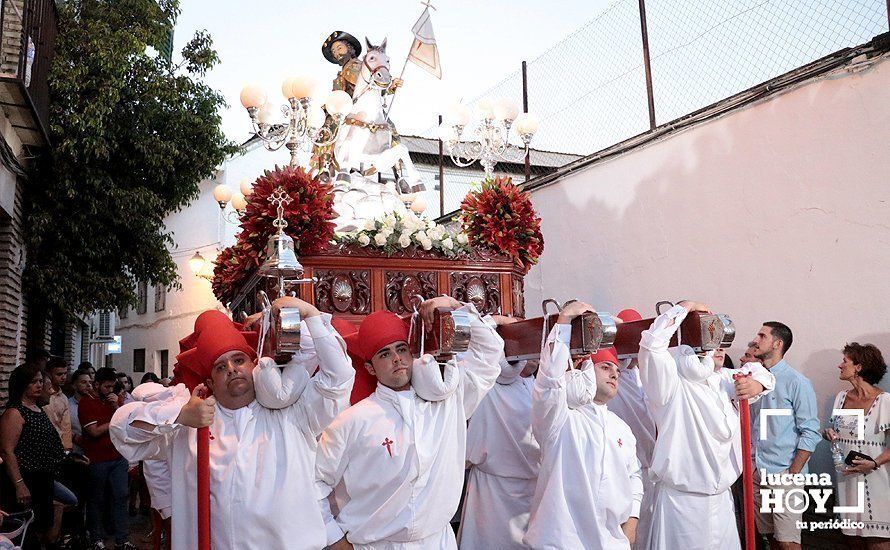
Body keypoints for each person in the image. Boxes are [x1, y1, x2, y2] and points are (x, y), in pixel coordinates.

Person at [110, 297, 354, 550]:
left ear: (255, 365)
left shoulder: (293, 412)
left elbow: (339, 378)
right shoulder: (192, 424)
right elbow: (121, 431)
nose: (231, 369)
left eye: (239, 360)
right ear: (211, 382)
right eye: (220, 366)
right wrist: (181, 417)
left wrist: (311, 314)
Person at [316, 296, 505, 549]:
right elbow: (315, 481)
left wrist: (454, 306)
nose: (396, 358)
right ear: (370, 368)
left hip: (436, 541)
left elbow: (491, 350)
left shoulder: (448, 402)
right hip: (374, 544)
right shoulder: (352, 420)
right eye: (385, 353)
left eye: (401, 349)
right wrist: (333, 538)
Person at [637, 300, 775, 550]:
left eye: (720, 341)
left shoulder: (725, 380)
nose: (717, 348)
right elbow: (651, 345)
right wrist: (683, 308)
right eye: (708, 340)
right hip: (682, 504)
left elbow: (762, 372)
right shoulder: (670, 384)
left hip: (721, 501)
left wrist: (758, 384)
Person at [523, 301, 643, 549]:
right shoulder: (559, 417)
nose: (614, 375)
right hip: (562, 541)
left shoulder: (621, 427)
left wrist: (632, 521)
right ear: (585, 371)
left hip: (612, 542)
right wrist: (564, 321)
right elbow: (549, 383)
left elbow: (634, 476)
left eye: (617, 371)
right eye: (605, 367)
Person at [458, 316, 540, 549]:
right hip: (492, 494)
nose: (534, 355)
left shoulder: (535, 384)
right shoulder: (485, 381)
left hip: (533, 492)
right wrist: (498, 322)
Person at [747, 322, 821, 550]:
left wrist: (792, 472)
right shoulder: (753, 379)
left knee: (788, 542)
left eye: (762, 335)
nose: (755, 340)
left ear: (778, 344)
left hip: (784, 473)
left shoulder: (797, 382)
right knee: (770, 540)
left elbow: (811, 431)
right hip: (758, 472)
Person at [823, 343, 890, 549]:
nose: (840, 366)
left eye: (845, 361)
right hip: (847, 481)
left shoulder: (885, 401)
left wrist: (875, 463)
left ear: (859, 367)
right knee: (852, 542)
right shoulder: (841, 398)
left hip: (878, 483)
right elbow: (838, 432)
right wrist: (829, 434)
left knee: (879, 544)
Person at [606, 308, 658, 548]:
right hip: (624, 471)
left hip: (651, 471)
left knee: (648, 537)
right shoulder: (619, 371)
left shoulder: (646, 374)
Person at [0, 364, 66, 548]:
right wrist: (19, 484)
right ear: (22, 384)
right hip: (25, 478)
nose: (38, 385)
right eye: (33, 382)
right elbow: (7, 451)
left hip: (43, 478)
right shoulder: (15, 413)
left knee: (42, 527)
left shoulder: (38, 409)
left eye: (39, 381)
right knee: (25, 531)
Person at [79, 366, 134, 550]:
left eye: (112, 387)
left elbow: (126, 423)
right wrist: (114, 422)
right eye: (107, 387)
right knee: (96, 500)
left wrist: (116, 408)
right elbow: (93, 431)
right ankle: (96, 539)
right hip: (97, 459)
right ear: (97, 385)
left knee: (121, 496)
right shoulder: (86, 403)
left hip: (118, 456)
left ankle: (122, 540)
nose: (110, 391)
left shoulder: (114, 401)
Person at [44, 357, 73, 451]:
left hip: (59, 446)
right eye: (59, 374)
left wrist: (67, 449)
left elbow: (66, 427)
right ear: (49, 374)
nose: (64, 377)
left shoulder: (64, 398)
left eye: (65, 373)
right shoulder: (42, 396)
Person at [68, 369, 92, 454]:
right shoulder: (67, 405)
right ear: (74, 385)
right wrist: (74, 437)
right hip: (75, 452)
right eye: (84, 382)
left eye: (90, 382)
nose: (88, 385)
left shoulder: (95, 404)